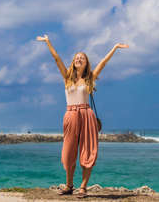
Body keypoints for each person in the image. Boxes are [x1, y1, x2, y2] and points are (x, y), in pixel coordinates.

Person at [36, 34, 128, 198]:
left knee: (88, 150)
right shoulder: (67, 78)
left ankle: (83, 187)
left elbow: (103, 63)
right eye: (76, 57)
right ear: (73, 61)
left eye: (82, 58)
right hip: (70, 114)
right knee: (68, 152)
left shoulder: (90, 78)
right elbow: (57, 59)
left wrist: (114, 47)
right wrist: (48, 42)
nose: (78, 59)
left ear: (86, 63)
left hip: (87, 114)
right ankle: (69, 185)